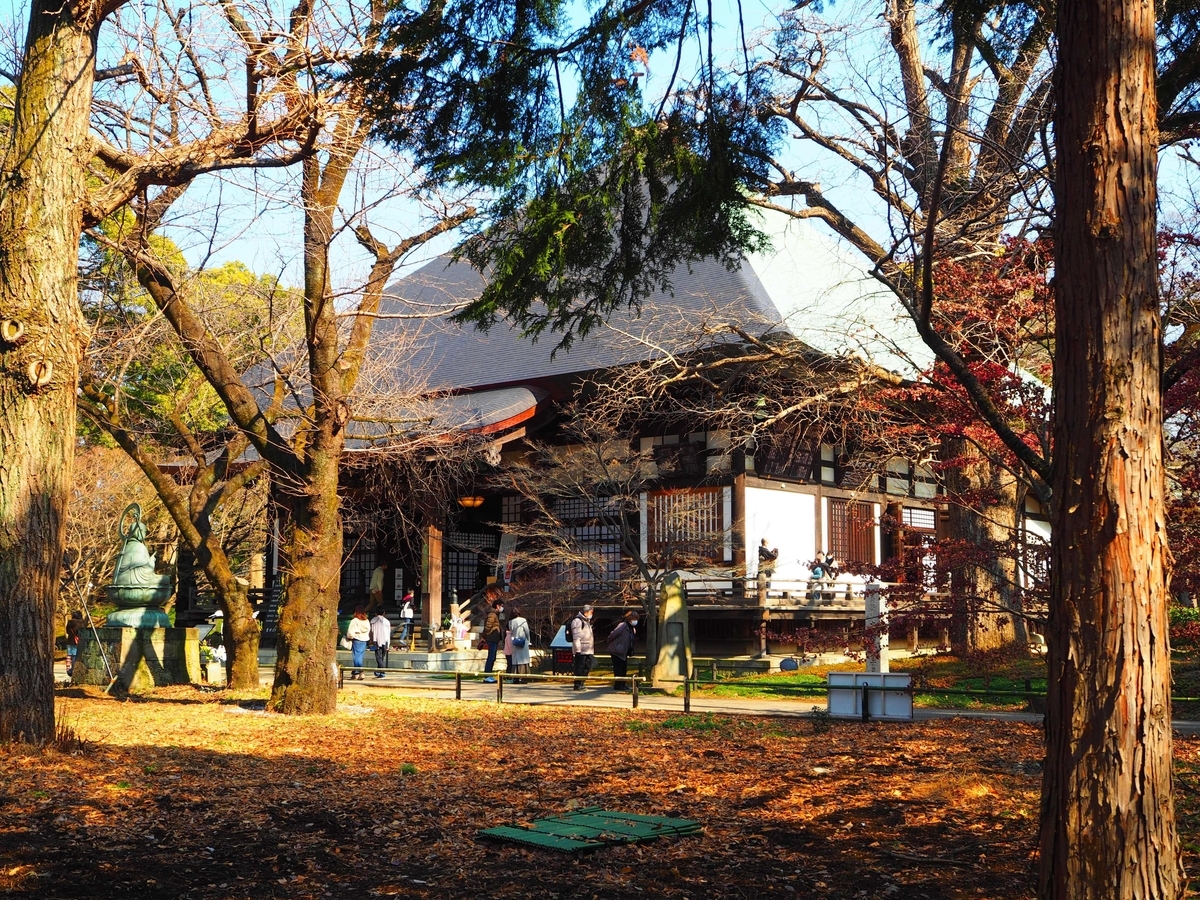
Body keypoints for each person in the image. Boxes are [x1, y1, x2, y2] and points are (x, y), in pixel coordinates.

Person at [606, 610, 638, 691]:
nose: (635, 621)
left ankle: (622, 684)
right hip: (617, 651)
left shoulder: (631, 628)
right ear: (629, 618)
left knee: (623, 669)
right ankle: (618, 684)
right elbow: (612, 635)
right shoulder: (623, 625)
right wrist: (614, 645)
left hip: (624, 651)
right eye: (634, 619)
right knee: (618, 669)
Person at [568, 604, 596, 691]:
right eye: (591, 612)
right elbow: (576, 637)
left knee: (587, 667)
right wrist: (578, 650)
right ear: (586, 612)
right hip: (581, 650)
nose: (592, 614)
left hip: (588, 649)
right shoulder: (578, 621)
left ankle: (582, 683)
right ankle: (577, 684)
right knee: (579, 667)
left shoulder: (587, 621)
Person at [481, 592, 504, 684]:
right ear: (497, 606)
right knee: (491, 657)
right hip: (491, 638)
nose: (502, 608)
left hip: (494, 638)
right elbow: (488, 626)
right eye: (501, 606)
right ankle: (487, 675)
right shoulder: (492, 614)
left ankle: (488, 675)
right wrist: (485, 637)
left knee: (492, 657)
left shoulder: (495, 614)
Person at [507, 606, 532, 683]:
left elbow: (511, 631)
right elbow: (527, 631)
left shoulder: (510, 622)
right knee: (523, 659)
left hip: (515, 641)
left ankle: (515, 677)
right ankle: (524, 677)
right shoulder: (523, 620)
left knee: (516, 660)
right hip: (523, 641)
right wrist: (528, 640)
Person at [345, 607, 371, 680]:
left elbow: (350, 632)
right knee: (360, 657)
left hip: (356, 639)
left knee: (356, 657)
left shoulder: (354, 621)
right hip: (364, 640)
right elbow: (368, 630)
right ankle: (356, 672)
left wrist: (350, 637)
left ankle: (358, 672)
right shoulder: (367, 621)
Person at [369, 608, 391, 679]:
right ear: (384, 612)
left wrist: (371, 640)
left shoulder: (373, 621)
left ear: (375, 613)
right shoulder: (387, 621)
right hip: (385, 641)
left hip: (377, 640)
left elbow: (371, 632)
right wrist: (388, 643)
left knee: (379, 657)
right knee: (381, 657)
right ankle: (379, 671)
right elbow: (388, 633)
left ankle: (382, 672)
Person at [65, 611, 83, 678]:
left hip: (70, 641)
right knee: (74, 657)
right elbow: (80, 633)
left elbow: (67, 631)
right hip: (76, 642)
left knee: (69, 656)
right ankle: (72, 670)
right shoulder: (80, 623)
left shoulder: (69, 623)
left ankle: (68, 669)